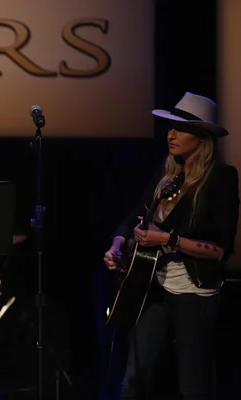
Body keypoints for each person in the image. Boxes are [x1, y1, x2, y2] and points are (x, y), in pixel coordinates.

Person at [103, 92, 239, 399]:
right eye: (169, 127)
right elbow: (133, 216)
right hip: (155, 288)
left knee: (192, 387)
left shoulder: (220, 178)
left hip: (195, 292)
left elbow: (220, 249)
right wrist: (117, 246)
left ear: (202, 136)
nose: (171, 134)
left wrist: (167, 239)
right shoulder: (166, 176)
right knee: (133, 381)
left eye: (181, 128)